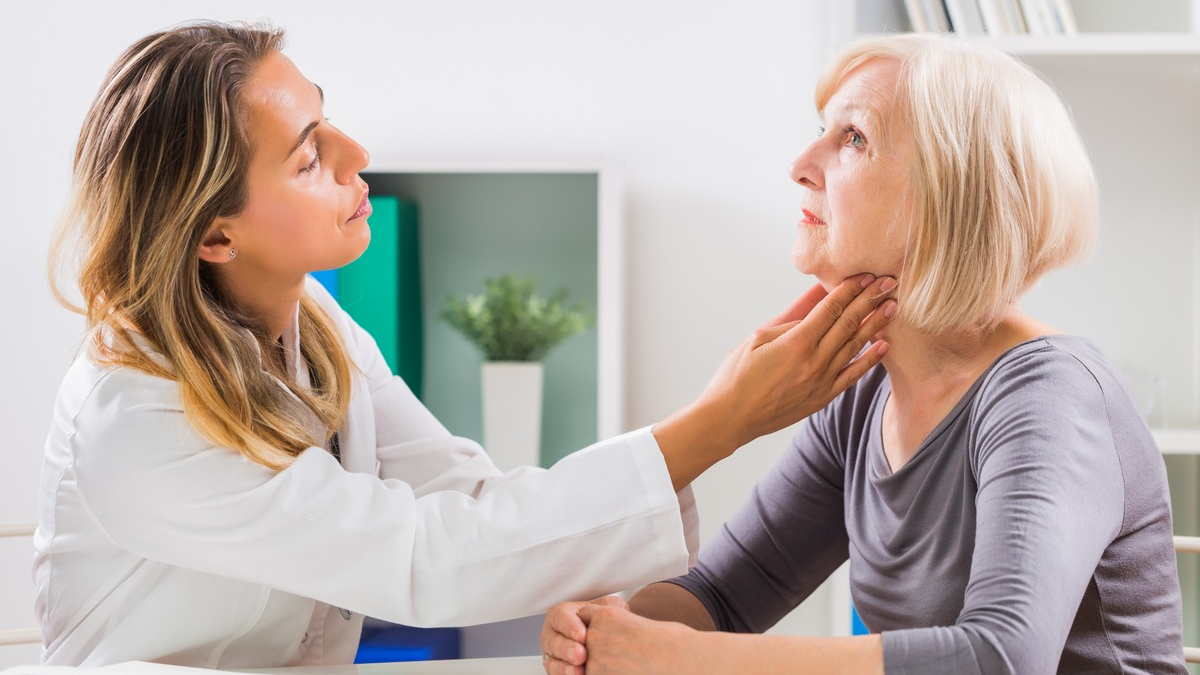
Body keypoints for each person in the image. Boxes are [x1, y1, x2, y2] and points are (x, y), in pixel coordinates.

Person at [35, 21, 897, 669]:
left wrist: (586, 588)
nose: (356, 151)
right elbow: (422, 559)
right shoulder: (137, 413)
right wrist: (723, 420)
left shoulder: (316, 326)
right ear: (215, 238)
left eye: (327, 120)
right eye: (307, 159)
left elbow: (471, 497)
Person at [540, 33, 1186, 675]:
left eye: (853, 137)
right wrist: (611, 631)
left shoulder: (1049, 393)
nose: (800, 162)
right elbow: (727, 593)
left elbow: (1002, 658)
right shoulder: (865, 392)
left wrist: (688, 657)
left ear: (950, 191)